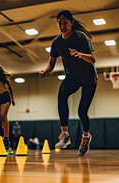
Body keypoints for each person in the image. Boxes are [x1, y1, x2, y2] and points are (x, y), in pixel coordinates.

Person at [39, 10, 97, 156]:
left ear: (71, 22)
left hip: (89, 77)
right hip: (72, 77)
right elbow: (51, 64)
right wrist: (45, 71)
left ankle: (85, 137)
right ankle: (65, 135)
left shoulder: (80, 37)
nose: (62, 26)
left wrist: (80, 54)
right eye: (60, 23)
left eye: (65, 23)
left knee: (82, 111)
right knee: (61, 95)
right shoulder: (56, 42)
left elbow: (92, 59)